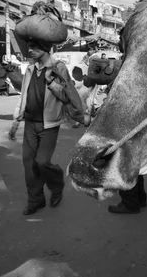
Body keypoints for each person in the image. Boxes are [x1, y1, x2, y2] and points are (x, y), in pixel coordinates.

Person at [9, 40, 90, 216]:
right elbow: (24, 95)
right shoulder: (30, 69)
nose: (30, 50)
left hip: (49, 124)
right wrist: (16, 120)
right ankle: (35, 200)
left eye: (34, 47)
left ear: (45, 48)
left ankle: (56, 185)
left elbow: (68, 96)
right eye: (29, 47)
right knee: (29, 164)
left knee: (42, 161)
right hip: (31, 122)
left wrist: (52, 84)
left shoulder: (58, 68)